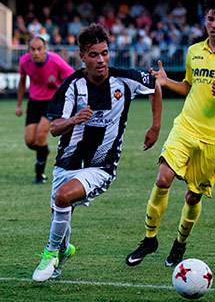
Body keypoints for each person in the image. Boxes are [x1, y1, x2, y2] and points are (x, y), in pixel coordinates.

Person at [126, 0, 215, 268]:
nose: (214, 25)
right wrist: (164, 81)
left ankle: (179, 244)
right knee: (163, 178)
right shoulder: (194, 50)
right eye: (210, 19)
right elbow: (188, 87)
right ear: (204, 20)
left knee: (192, 197)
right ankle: (150, 239)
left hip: (213, 138)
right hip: (185, 126)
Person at [32, 23, 162, 282]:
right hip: (66, 163)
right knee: (62, 209)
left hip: (102, 166)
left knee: (62, 197)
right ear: (82, 56)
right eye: (94, 54)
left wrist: (155, 125)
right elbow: (55, 128)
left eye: (105, 53)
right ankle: (63, 251)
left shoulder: (125, 79)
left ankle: (49, 254)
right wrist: (74, 120)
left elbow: (155, 85)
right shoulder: (72, 86)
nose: (101, 60)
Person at [16, 37, 74, 183]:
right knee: (30, 141)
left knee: (41, 135)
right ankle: (43, 152)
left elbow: (72, 78)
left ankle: (39, 175)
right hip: (34, 102)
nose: (36, 53)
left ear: (45, 48)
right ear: (28, 50)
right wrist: (19, 105)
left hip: (51, 101)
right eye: (32, 49)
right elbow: (22, 81)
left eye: (39, 49)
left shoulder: (55, 61)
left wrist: (66, 99)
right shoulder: (24, 61)